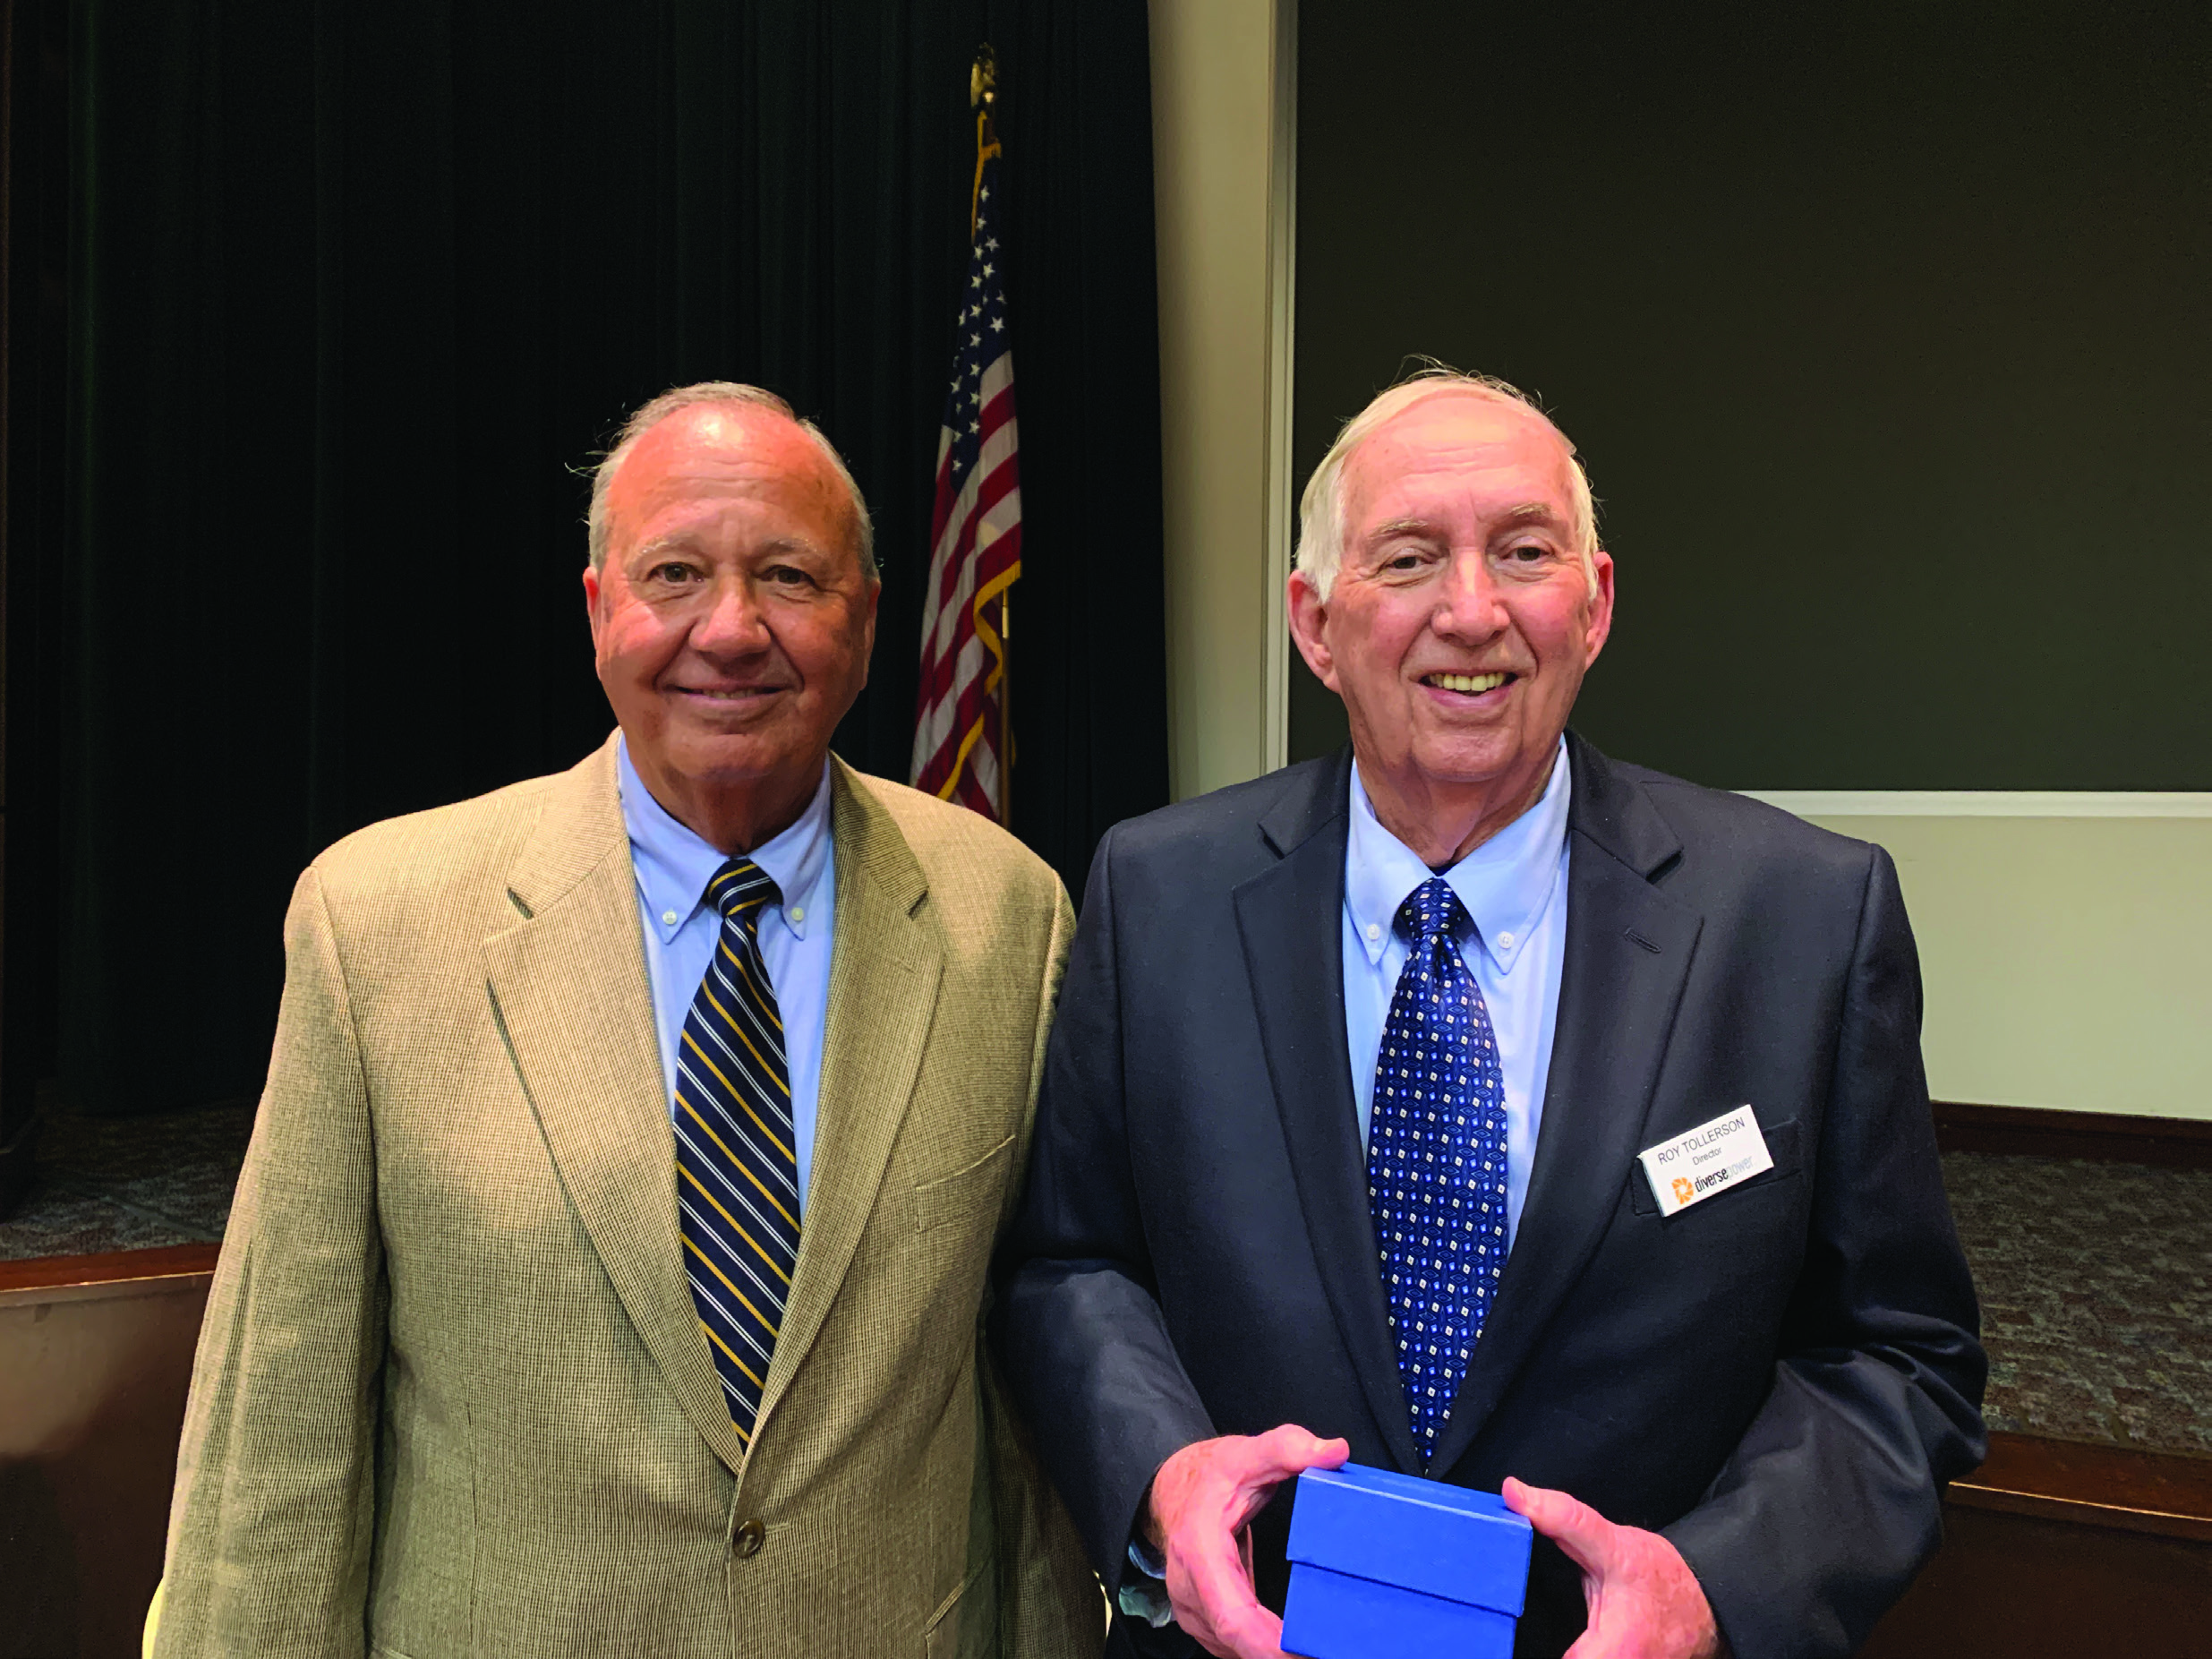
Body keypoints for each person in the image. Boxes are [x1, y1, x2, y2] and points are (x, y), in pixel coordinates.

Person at [998, 370, 1986, 1659]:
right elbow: (1072, 1264)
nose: (1471, 611)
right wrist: (1160, 1476)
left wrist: (1711, 1592)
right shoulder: (1158, 892)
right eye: (1408, 559)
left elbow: (1895, 1356)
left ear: (1594, 605)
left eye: (1522, 552)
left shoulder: (1799, 918)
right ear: (1314, 624)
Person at [154, 383, 1101, 1658]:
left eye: (788, 577)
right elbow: (275, 1436)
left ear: (867, 622)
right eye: (673, 574)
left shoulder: (1007, 917)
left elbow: (1013, 1406)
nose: (730, 628)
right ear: (600, 613)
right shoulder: (376, 925)